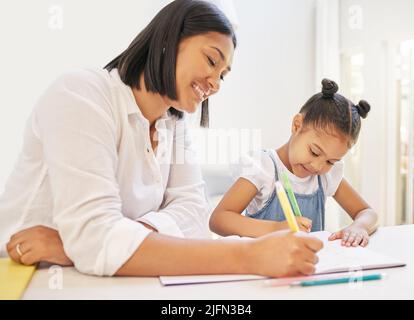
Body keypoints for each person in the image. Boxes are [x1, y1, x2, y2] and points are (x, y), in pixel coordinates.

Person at [0, 0, 322, 278]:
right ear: (168, 40)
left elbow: (194, 215)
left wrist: (83, 245)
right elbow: (96, 239)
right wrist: (250, 256)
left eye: (223, 74)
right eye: (211, 61)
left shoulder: (172, 123)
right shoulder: (82, 94)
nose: (216, 83)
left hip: (100, 274)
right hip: (28, 276)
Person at [210, 79, 378, 247]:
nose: (318, 166)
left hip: (308, 268)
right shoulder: (263, 167)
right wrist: (276, 228)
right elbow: (220, 219)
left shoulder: (326, 176)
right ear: (297, 125)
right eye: (314, 152)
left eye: (330, 161)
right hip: (263, 267)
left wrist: (359, 226)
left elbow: (367, 212)